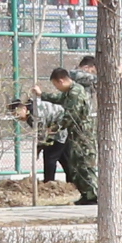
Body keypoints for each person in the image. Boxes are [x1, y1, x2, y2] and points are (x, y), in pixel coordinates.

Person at [43, 66, 96, 202]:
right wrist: (41, 95)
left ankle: (93, 195)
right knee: (76, 166)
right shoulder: (70, 92)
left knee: (84, 164)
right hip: (76, 135)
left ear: (61, 81)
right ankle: (86, 195)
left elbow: (71, 116)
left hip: (83, 135)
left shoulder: (75, 93)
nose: (57, 88)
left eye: (56, 85)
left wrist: (55, 128)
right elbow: (58, 98)